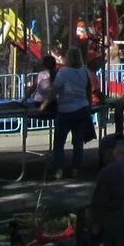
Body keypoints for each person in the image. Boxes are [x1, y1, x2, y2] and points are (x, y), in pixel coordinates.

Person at [51, 45, 94, 179]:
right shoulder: (84, 71)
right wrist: (89, 105)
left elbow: (55, 90)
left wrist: (47, 102)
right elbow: (89, 89)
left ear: (68, 58)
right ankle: (76, 169)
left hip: (66, 109)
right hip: (82, 108)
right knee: (78, 141)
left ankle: (59, 170)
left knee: (59, 142)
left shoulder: (63, 72)